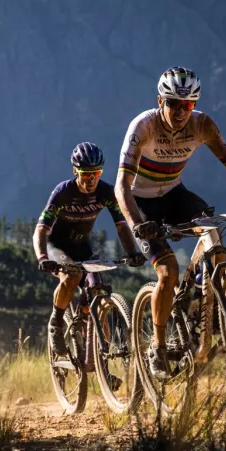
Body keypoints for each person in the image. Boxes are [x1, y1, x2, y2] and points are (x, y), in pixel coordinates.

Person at [113, 66, 226, 380]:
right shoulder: (143, 126)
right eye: (173, 104)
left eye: (188, 104)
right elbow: (121, 186)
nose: (181, 111)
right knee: (168, 271)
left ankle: (205, 302)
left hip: (174, 193)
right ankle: (158, 345)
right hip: (141, 202)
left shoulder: (202, 124)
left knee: (212, 230)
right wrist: (138, 224)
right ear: (160, 101)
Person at [33, 141, 147, 357]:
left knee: (97, 288)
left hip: (82, 247)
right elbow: (41, 229)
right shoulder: (63, 192)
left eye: (96, 173)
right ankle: (56, 324)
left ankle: (96, 355)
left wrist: (133, 253)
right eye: (86, 174)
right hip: (57, 246)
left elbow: (121, 226)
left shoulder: (106, 192)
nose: (91, 179)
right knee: (73, 276)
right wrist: (42, 257)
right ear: (75, 171)